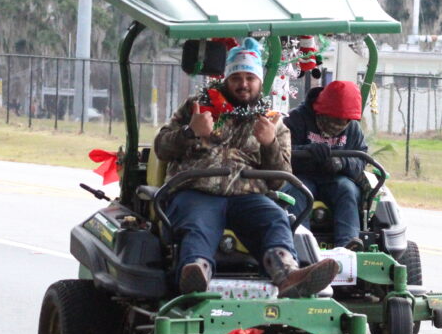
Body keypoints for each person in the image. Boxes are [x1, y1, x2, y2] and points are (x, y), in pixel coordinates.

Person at [153, 37, 339, 298]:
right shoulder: (196, 107)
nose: (243, 84)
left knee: (275, 218)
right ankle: (195, 273)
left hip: (247, 194)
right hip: (197, 189)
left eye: (249, 78)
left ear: (260, 82)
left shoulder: (272, 121)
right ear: (226, 79)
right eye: (236, 77)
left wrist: (269, 144)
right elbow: (161, 147)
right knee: (197, 224)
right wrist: (190, 132)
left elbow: (279, 180)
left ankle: (287, 275)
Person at [283, 80, 369, 250]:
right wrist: (307, 151)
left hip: (335, 179)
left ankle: (348, 243)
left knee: (347, 189)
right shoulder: (297, 119)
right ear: (320, 110)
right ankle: (299, 242)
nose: (339, 125)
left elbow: (362, 160)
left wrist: (342, 162)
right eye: (334, 119)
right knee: (297, 191)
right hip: (302, 176)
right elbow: (281, 153)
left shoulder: (353, 129)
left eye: (344, 121)